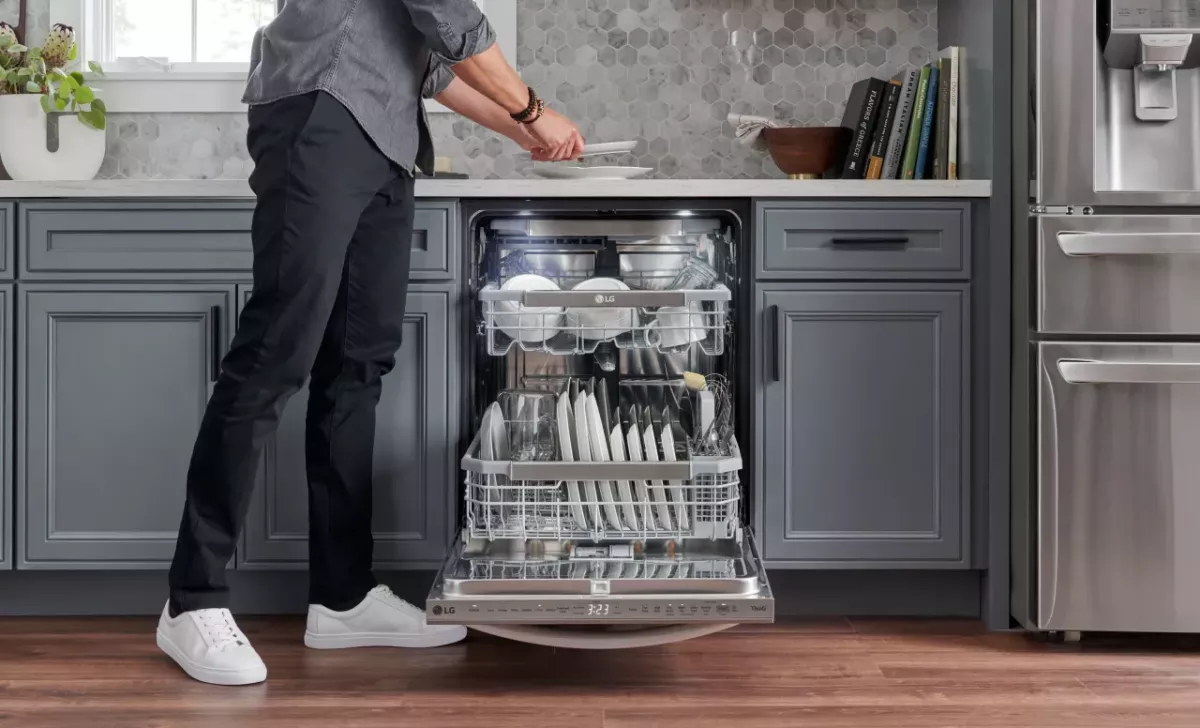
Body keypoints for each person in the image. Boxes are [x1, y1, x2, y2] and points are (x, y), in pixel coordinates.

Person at [155, 0, 585, 686]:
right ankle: (192, 599)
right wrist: (534, 112)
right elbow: (450, 17)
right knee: (274, 357)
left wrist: (523, 131)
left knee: (358, 366)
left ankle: (343, 598)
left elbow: (435, 67)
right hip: (319, 117)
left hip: (383, 138)